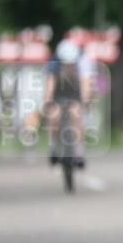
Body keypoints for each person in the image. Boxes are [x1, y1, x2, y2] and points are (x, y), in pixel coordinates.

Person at [44, 39, 93, 167]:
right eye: (66, 64)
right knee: (54, 116)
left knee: (77, 115)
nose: (69, 66)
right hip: (58, 93)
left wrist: (85, 102)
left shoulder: (84, 62)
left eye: (71, 63)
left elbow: (85, 84)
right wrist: (48, 102)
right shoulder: (54, 63)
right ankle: (54, 147)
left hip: (75, 93)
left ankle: (79, 152)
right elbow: (50, 83)